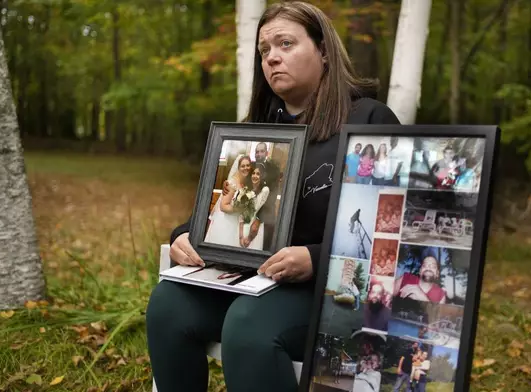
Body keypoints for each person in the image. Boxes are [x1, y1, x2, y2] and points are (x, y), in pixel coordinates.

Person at [145, 2, 400, 391]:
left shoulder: (370, 120)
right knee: (168, 305)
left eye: (285, 43)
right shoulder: (252, 132)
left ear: (324, 52)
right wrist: (184, 234)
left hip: (335, 290)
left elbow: (390, 233)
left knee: (248, 324)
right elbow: (219, 210)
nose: (273, 57)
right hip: (254, 281)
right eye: (265, 50)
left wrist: (315, 258)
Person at [203, 155, 253, 247]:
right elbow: (223, 206)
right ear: (238, 167)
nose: (246, 168)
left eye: (248, 165)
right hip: (226, 222)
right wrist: (238, 208)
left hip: (236, 222)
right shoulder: (231, 183)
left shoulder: (245, 184)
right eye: (243, 166)